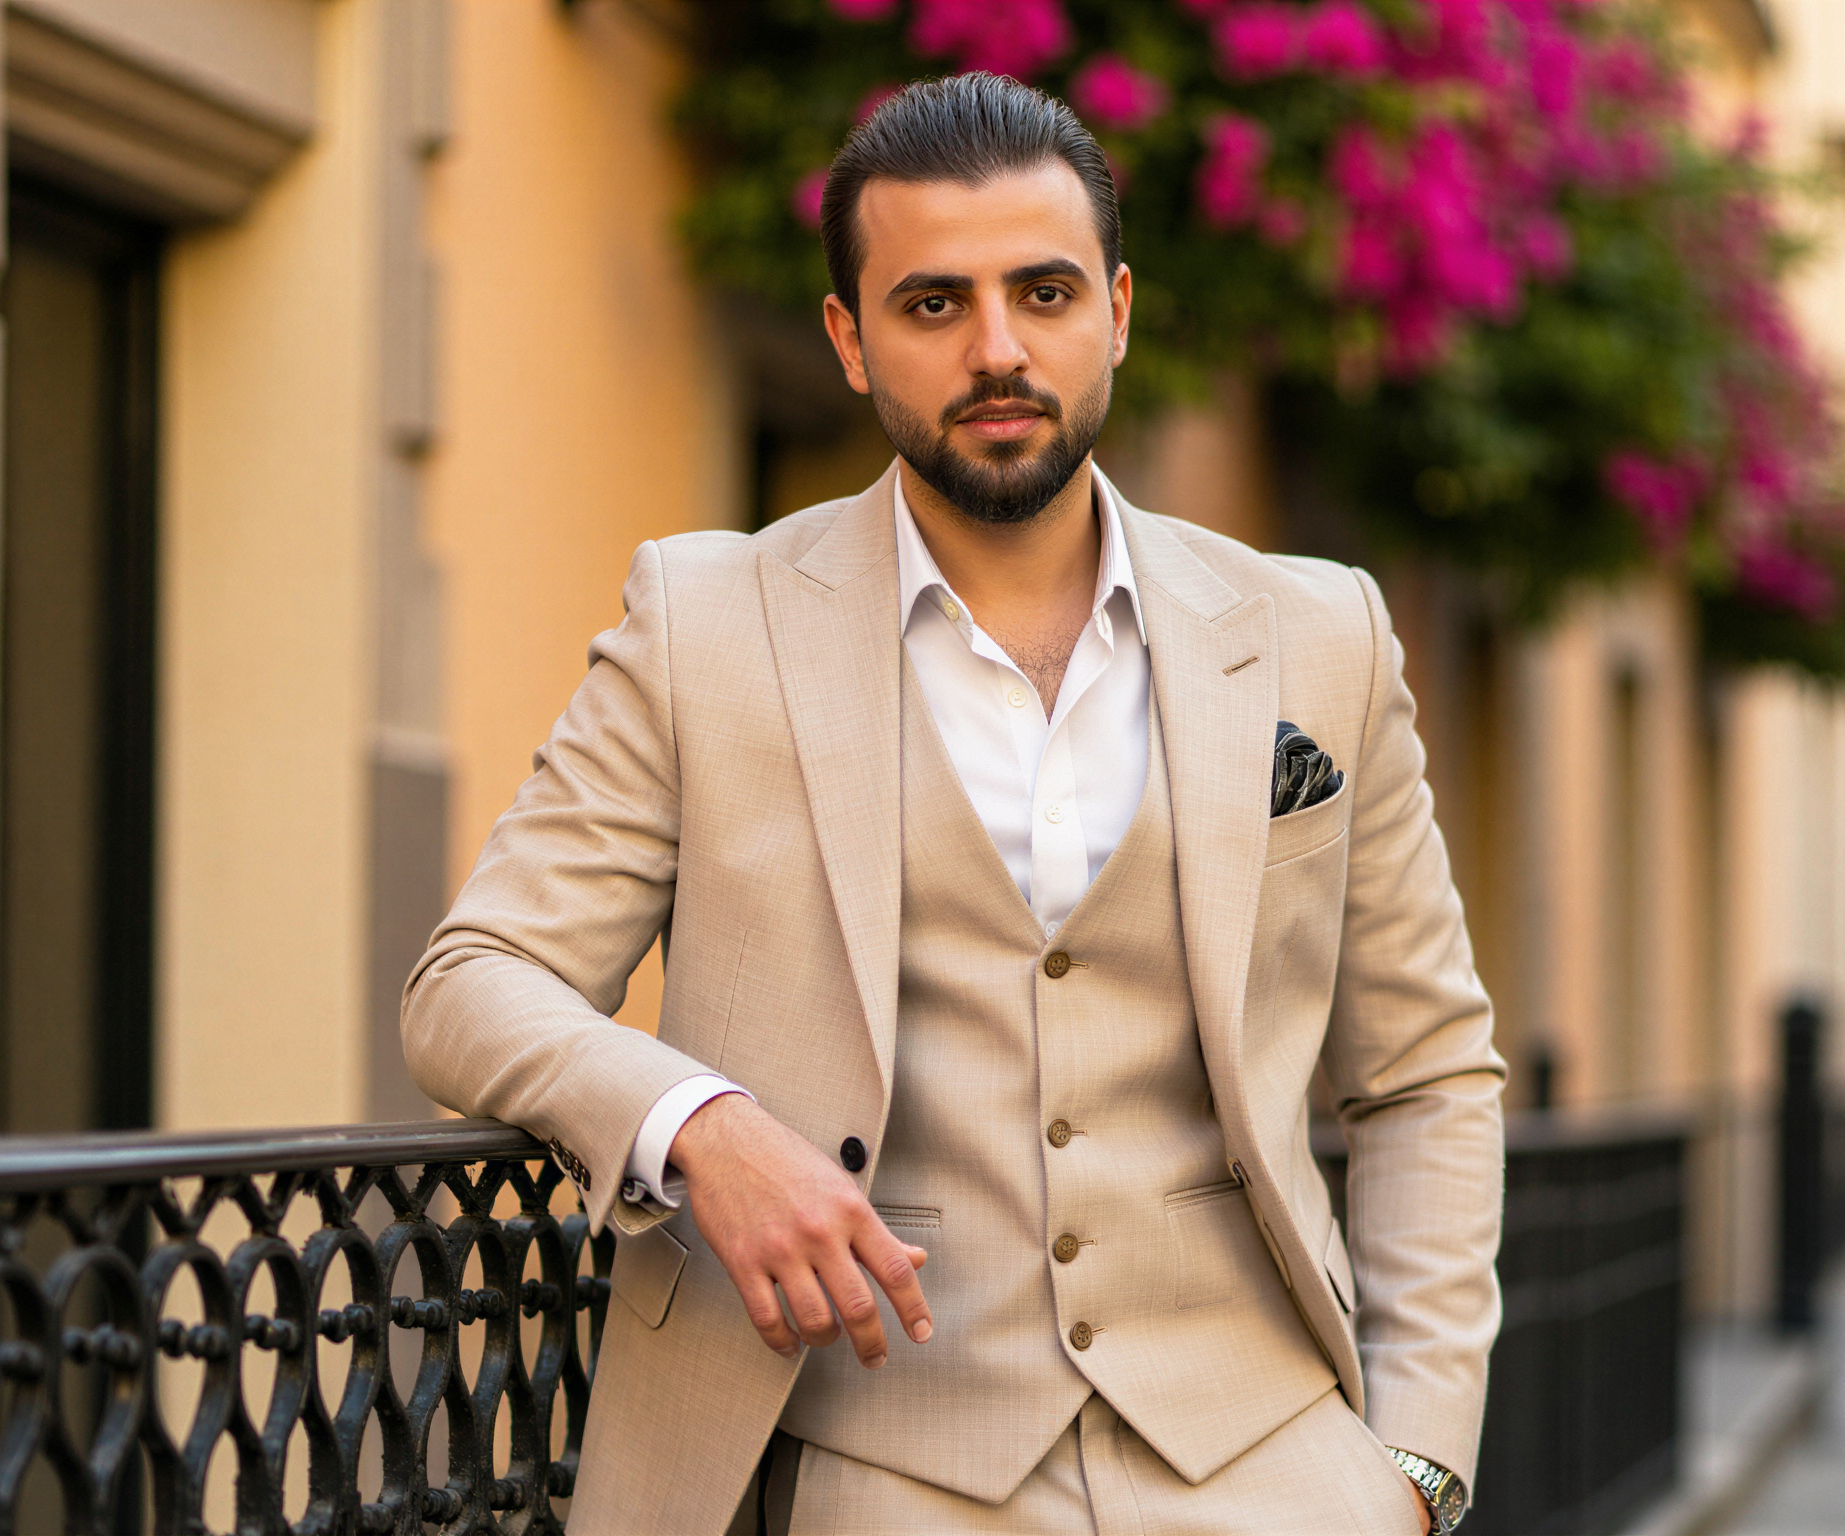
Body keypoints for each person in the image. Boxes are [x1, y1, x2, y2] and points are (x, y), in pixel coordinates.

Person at [403, 71, 1503, 1536]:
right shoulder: (705, 626)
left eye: (1044, 293)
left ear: (1117, 310)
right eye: (933, 305)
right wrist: (700, 1124)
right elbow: (472, 983)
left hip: (1271, 1466)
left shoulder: (1319, 633)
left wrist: (1417, 1466)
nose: (998, 350)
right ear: (849, 339)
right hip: (879, 1469)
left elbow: (1425, 1070)